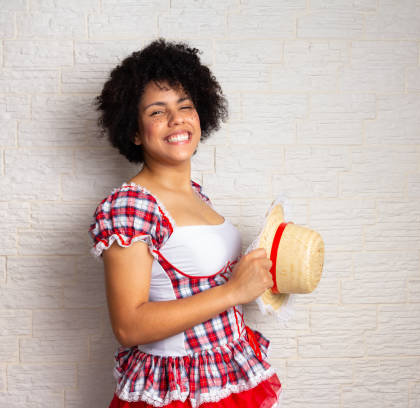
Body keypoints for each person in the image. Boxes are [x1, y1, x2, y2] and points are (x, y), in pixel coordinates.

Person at [89, 39, 282, 408]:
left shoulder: (197, 194)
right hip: (180, 390)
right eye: (157, 112)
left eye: (185, 106)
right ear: (133, 130)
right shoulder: (130, 206)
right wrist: (233, 292)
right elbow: (129, 326)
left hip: (228, 374)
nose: (176, 119)